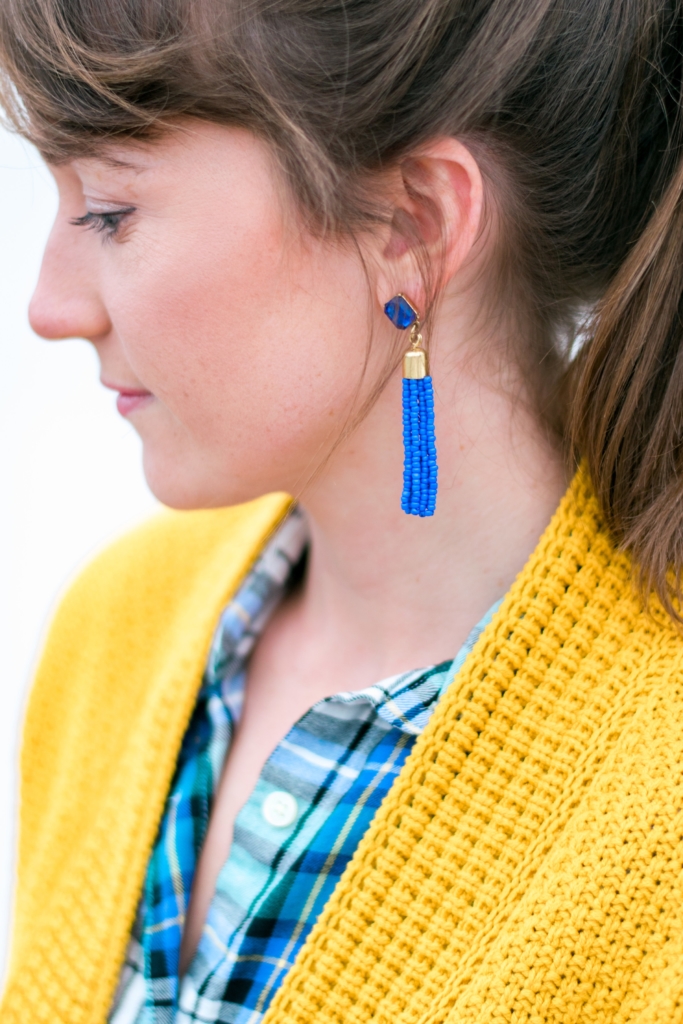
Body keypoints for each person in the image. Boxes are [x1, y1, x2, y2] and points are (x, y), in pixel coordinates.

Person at [1, 0, 683, 1021]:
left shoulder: (656, 796)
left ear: (411, 225)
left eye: (108, 211)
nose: (50, 307)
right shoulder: (118, 626)